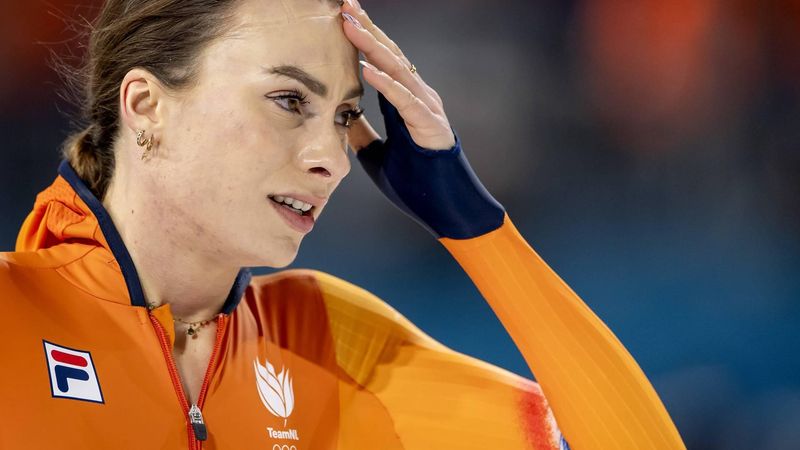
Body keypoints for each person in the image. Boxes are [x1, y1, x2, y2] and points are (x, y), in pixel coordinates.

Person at [0, 0, 686, 448]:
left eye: (343, 116)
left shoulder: (325, 342)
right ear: (147, 104)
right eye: (288, 99)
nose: (331, 158)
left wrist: (475, 227)